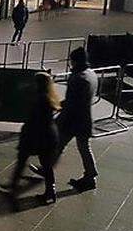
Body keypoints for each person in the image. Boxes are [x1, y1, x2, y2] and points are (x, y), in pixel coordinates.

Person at [36, 47, 98, 191]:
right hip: (85, 119)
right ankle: (90, 176)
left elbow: (71, 102)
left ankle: (47, 169)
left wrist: (55, 108)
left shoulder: (78, 78)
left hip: (72, 120)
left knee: (58, 144)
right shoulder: (91, 74)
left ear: (75, 61)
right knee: (84, 148)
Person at [1, 72, 60, 206]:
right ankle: (51, 191)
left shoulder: (40, 99)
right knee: (46, 165)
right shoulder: (50, 97)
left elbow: (34, 120)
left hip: (36, 136)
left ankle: (13, 188)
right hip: (49, 135)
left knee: (22, 160)